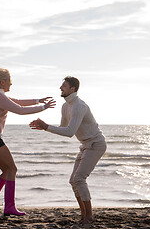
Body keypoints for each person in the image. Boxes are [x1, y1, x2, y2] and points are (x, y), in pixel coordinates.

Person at [0, 60, 56, 217]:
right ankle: (9, 207)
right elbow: (19, 110)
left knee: (6, 170)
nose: (11, 84)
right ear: (2, 82)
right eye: (10, 81)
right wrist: (43, 107)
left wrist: (38, 100)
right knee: (12, 169)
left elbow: (17, 102)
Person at [29, 76, 106, 224]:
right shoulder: (65, 106)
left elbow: (70, 132)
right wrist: (45, 128)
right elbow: (64, 128)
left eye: (64, 86)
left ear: (73, 89)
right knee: (73, 180)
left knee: (79, 178)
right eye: (61, 85)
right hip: (85, 145)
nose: (60, 88)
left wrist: (46, 127)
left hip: (96, 144)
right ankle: (84, 215)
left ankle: (89, 216)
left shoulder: (79, 106)